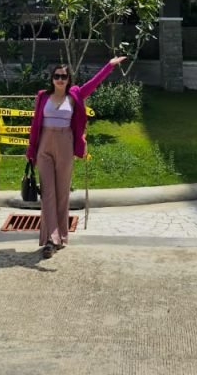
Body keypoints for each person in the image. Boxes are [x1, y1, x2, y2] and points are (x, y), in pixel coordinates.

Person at [26, 56, 127, 259]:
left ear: (68, 79)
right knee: (48, 193)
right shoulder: (42, 97)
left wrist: (109, 65)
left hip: (65, 143)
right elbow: (35, 124)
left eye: (63, 76)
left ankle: (60, 237)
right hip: (45, 144)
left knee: (62, 192)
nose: (60, 79)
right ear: (52, 79)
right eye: (56, 76)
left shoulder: (75, 95)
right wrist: (31, 149)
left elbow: (94, 83)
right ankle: (50, 239)